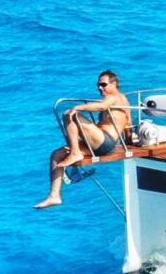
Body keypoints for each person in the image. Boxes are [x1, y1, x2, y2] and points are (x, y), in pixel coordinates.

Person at [36, 70, 131, 209]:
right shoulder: (122, 100)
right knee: (56, 155)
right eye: (98, 85)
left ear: (114, 84)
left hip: (106, 141)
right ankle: (54, 196)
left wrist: (78, 107)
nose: (100, 88)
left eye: (103, 84)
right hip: (99, 141)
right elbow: (128, 122)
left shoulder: (114, 96)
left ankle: (75, 153)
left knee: (70, 114)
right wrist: (129, 140)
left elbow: (102, 106)